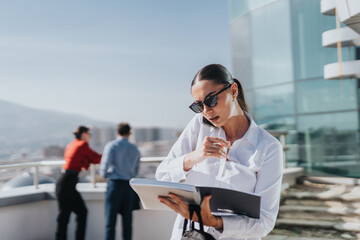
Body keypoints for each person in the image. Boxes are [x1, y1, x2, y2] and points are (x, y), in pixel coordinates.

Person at [155, 64, 283, 240]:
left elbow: (265, 222)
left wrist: (215, 221)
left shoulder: (268, 147)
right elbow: (162, 175)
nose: (206, 111)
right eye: (199, 105)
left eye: (211, 100)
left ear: (233, 90)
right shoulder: (198, 126)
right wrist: (194, 157)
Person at [55, 126, 102, 240]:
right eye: (89, 135)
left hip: (65, 182)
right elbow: (96, 158)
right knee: (66, 217)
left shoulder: (72, 144)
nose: (90, 137)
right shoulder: (82, 145)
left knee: (75, 214)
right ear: (84, 134)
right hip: (68, 183)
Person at [99, 122, 141, 240]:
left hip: (114, 184)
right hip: (129, 186)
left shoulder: (111, 145)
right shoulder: (134, 148)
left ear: (117, 132)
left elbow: (105, 165)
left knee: (110, 221)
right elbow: (137, 168)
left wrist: (104, 175)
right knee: (127, 221)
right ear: (129, 133)